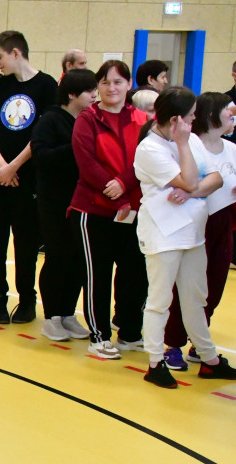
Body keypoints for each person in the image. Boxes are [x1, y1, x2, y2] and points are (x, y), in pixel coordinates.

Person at [134, 86, 236, 387]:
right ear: (176, 119)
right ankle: (155, 362)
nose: (193, 125)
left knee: (196, 297)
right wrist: (190, 178)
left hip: (192, 230)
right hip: (163, 232)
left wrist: (190, 188)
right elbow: (193, 178)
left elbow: (215, 178)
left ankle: (209, 358)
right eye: (190, 118)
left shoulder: (190, 140)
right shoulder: (150, 148)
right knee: (160, 299)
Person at [68, 61, 148, 358]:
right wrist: (112, 189)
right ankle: (99, 335)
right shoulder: (87, 119)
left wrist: (124, 184)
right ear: (97, 88)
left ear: (128, 85)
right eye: (104, 83)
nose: (111, 88)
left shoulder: (142, 119)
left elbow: (147, 158)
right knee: (97, 275)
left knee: (135, 274)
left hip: (134, 209)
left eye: (118, 82)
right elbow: (86, 162)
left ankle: (129, 332)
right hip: (94, 210)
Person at [0, 31, 58, 324]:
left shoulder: (46, 86)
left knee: (26, 244)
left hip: (27, 178)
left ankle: (27, 300)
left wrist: (14, 166)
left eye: (0, 57)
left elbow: (41, 133)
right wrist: (2, 165)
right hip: (0, 177)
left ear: (16, 53)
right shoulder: (2, 86)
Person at [161, 92, 236, 370]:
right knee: (185, 289)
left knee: (213, 288)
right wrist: (195, 192)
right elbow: (189, 185)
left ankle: (199, 343)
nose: (233, 116)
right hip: (193, 223)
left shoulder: (232, 149)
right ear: (211, 114)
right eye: (228, 111)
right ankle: (173, 345)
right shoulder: (191, 146)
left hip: (223, 222)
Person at [31, 68, 97, 342]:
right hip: (54, 201)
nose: (95, 96)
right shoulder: (51, 120)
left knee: (78, 259)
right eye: (89, 91)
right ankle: (51, 317)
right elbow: (42, 156)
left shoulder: (89, 120)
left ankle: (68, 312)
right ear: (72, 94)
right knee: (57, 257)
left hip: (82, 201)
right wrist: (76, 146)